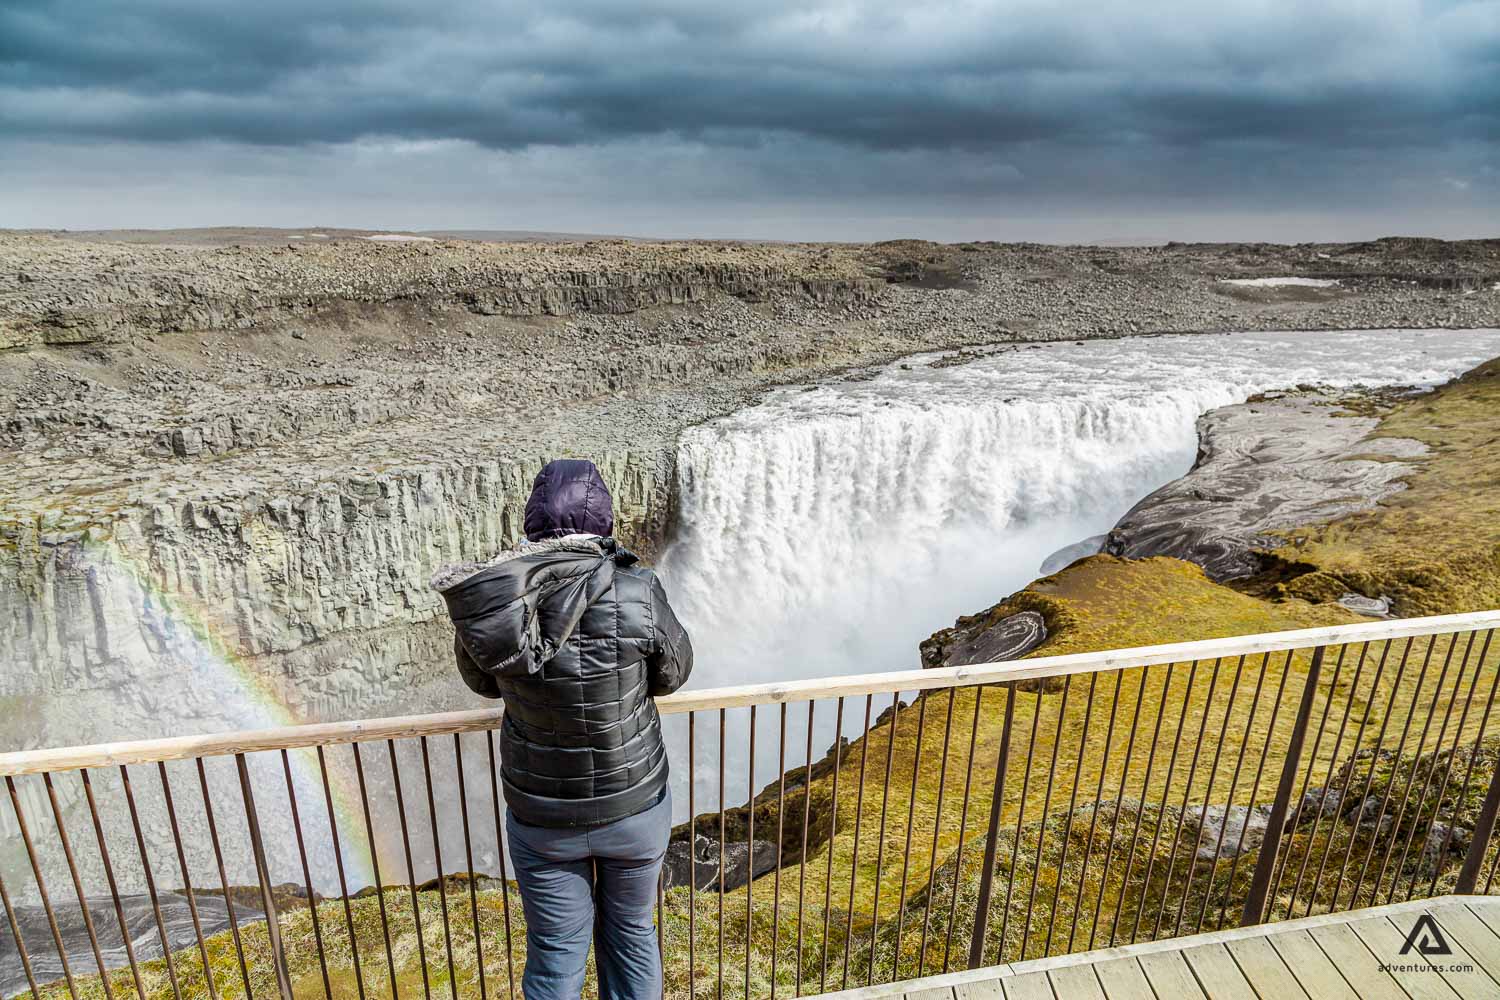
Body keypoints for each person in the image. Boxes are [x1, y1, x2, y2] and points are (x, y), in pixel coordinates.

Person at [432, 458, 693, 1000]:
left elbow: (483, 684)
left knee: (556, 953)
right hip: (633, 806)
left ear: (532, 522)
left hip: (544, 813)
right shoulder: (637, 590)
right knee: (632, 937)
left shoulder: (493, 604)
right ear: (602, 520)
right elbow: (673, 674)